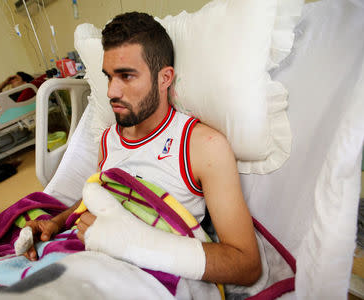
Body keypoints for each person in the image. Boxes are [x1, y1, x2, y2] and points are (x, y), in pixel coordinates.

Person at [24, 12, 262, 286]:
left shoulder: (201, 147)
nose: (112, 91)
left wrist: (132, 244)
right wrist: (57, 222)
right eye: (109, 77)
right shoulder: (107, 141)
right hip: (78, 261)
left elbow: (246, 265)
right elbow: (102, 196)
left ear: (165, 78)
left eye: (126, 76)